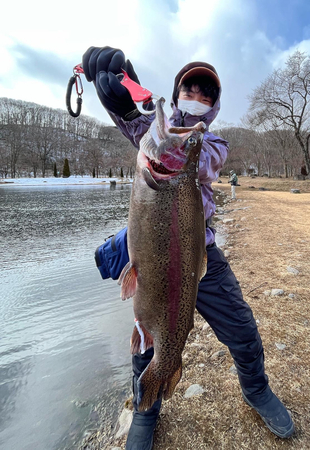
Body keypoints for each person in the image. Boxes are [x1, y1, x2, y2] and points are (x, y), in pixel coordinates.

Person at [82, 47, 295, 450]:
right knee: (148, 333)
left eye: (205, 93)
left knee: (244, 330)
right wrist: (122, 106)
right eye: (189, 88)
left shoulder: (212, 143)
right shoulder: (156, 134)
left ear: (214, 105)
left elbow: (195, 160)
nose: (196, 96)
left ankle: (257, 389)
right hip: (154, 251)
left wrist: (158, 132)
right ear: (177, 91)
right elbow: (141, 133)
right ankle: (146, 409)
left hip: (201, 255)